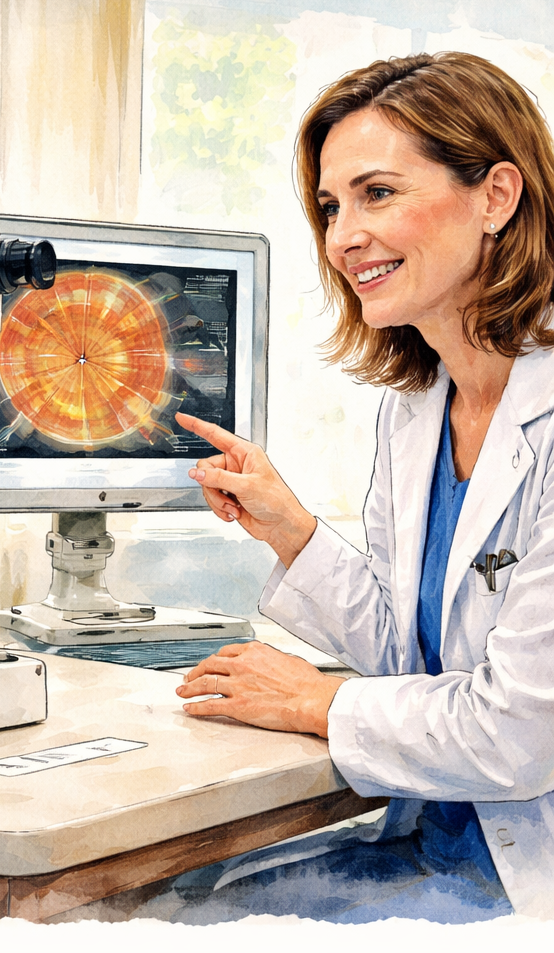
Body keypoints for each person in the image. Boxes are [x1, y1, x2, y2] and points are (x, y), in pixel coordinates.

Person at [173, 52, 554, 922]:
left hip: (525, 884)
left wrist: (314, 699)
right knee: (178, 903)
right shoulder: (421, 407)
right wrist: (293, 534)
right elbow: (413, 664)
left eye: (377, 194)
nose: (342, 236)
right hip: (438, 844)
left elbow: (516, 738)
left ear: (497, 196)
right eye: (330, 206)